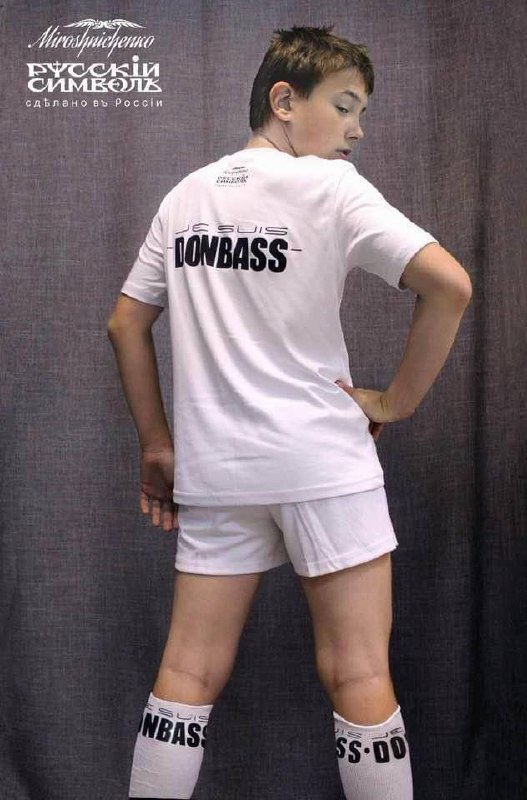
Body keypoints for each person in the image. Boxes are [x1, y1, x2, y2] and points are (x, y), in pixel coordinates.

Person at [107, 24, 472, 800]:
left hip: (216, 472)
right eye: (343, 106)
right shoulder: (332, 188)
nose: (355, 129)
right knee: (359, 673)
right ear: (283, 100)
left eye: (360, 112)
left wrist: (157, 446)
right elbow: (450, 286)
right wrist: (394, 402)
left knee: (186, 675)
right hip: (321, 465)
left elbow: (125, 324)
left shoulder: (186, 196)